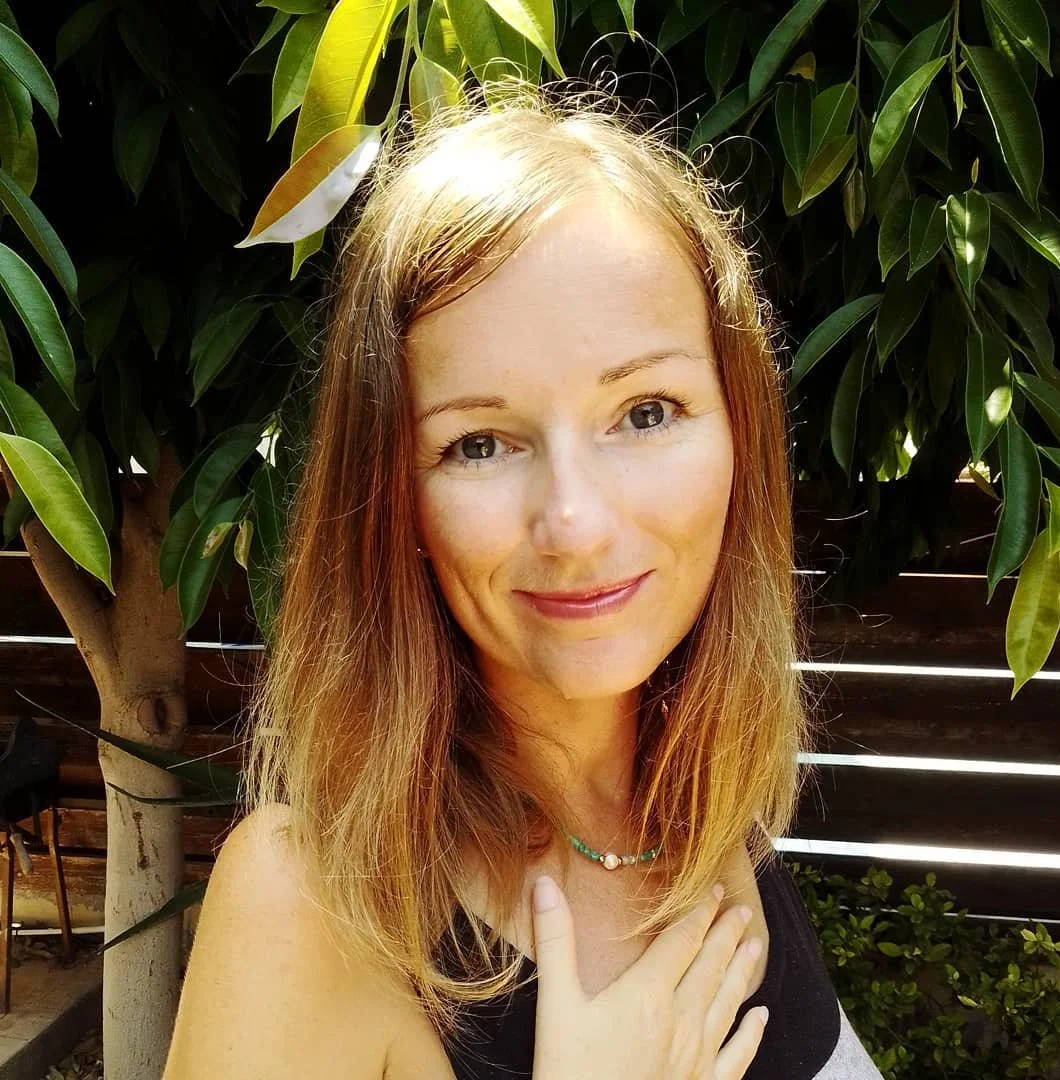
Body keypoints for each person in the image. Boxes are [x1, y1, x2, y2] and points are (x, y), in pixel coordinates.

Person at [163, 82, 884, 1079]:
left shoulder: (699, 812)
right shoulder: (310, 909)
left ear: (741, 438)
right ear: (392, 500)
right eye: (481, 443)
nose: (575, 524)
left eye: (645, 412)